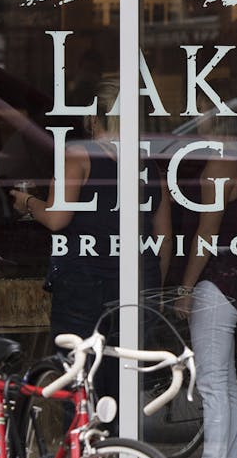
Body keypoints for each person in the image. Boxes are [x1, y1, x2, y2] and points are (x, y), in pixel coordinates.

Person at [9, 79, 172, 402]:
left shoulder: (78, 156)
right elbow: (163, 237)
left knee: (79, 381)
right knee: (123, 384)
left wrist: (26, 202)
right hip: (138, 283)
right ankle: (119, 448)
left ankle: (87, 451)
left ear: (92, 120)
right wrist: (156, 288)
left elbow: (57, 218)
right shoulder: (149, 166)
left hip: (84, 284)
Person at [172, 116, 237, 458]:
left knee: (211, 381)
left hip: (216, 280)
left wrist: (186, 286)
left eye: (200, 111)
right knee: (228, 382)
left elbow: (207, 231)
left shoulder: (218, 165)